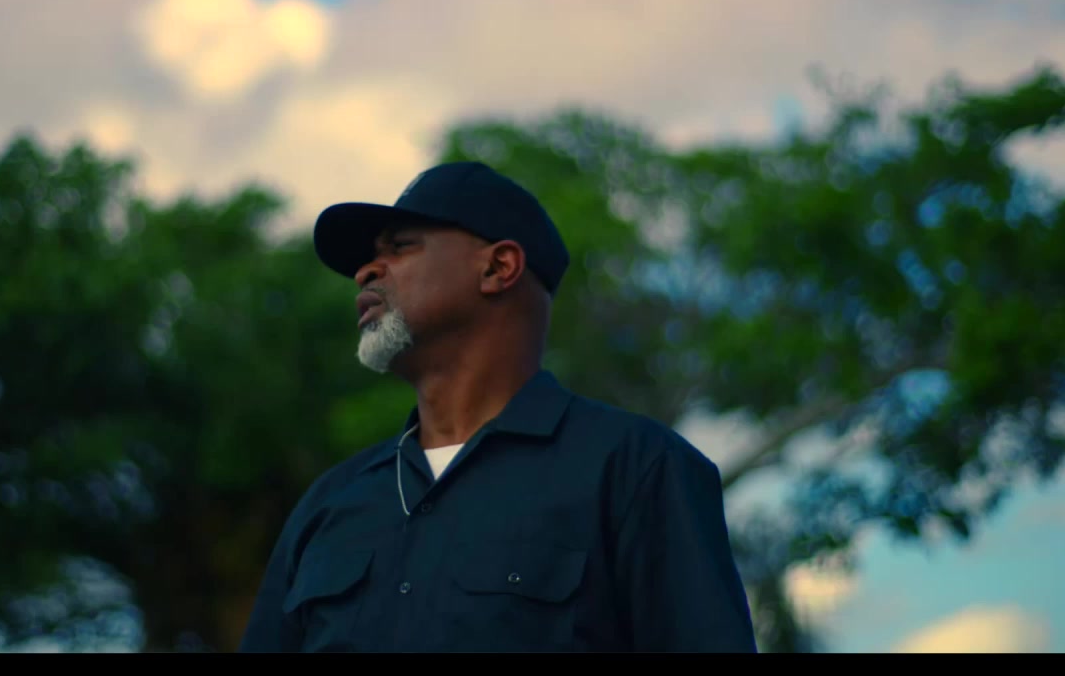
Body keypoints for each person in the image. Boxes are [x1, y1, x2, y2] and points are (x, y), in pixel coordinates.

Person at [237, 161, 757, 653]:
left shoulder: (637, 469)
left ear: (498, 266)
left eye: (399, 246)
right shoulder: (328, 504)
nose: (365, 272)